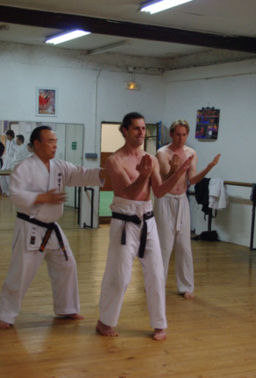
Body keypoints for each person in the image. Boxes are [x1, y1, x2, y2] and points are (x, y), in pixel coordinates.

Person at [0, 126, 105, 329]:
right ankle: (4, 314)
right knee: (21, 272)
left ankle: (67, 307)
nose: (55, 145)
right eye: (50, 141)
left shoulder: (59, 166)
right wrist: (43, 197)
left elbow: (82, 174)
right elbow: (16, 196)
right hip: (30, 227)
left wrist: (105, 173)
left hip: (52, 228)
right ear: (37, 143)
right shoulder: (24, 167)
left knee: (66, 265)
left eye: (55, 141)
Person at [96, 112, 193, 341]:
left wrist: (179, 172)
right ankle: (105, 321)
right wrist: (144, 175)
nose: (141, 133)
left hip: (147, 219)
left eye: (142, 128)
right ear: (125, 130)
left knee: (156, 274)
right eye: (136, 128)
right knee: (119, 276)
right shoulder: (114, 160)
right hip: (124, 220)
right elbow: (128, 191)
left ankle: (159, 324)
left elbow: (158, 191)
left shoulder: (150, 158)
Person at [154, 119, 220, 299]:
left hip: (182, 200)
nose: (181, 138)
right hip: (165, 200)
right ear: (171, 134)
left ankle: (186, 286)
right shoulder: (162, 153)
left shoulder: (191, 153)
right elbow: (165, 178)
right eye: (178, 134)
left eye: (184, 135)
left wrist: (208, 168)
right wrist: (175, 170)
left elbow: (192, 179)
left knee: (184, 245)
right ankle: (156, 284)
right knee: (164, 245)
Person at [0, 129, 17, 197]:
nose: (7, 137)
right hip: (6, 160)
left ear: (11, 135)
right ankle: (5, 191)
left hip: (11, 160)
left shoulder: (14, 142)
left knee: (8, 177)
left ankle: (10, 192)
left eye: (8, 136)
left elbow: (15, 152)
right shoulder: (8, 142)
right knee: (1, 175)